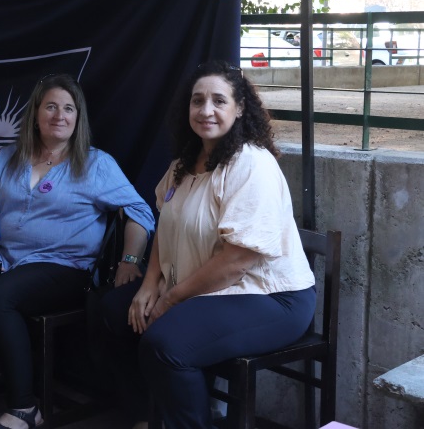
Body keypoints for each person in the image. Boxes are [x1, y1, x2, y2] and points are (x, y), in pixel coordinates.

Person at [0, 74, 155, 429]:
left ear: (78, 118)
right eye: (50, 106)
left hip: (65, 267)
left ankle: (24, 407)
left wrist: (130, 260)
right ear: (35, 113)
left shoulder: (96, 164)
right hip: (6, 259)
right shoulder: (6, 159)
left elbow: (139, 211)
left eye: (68, 108)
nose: (59, 115)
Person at [100, 60, 316, 429]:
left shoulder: (251, 164)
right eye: (197, 101)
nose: (206, 110)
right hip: (204, 286)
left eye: (219, 100)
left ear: (240, 107)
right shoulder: (184, 164)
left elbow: (237, 261)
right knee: (111, 310)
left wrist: (170, 299)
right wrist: (150, 285)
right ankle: (144, 420)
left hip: (270, 297)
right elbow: (164, 230)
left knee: (165, 345)